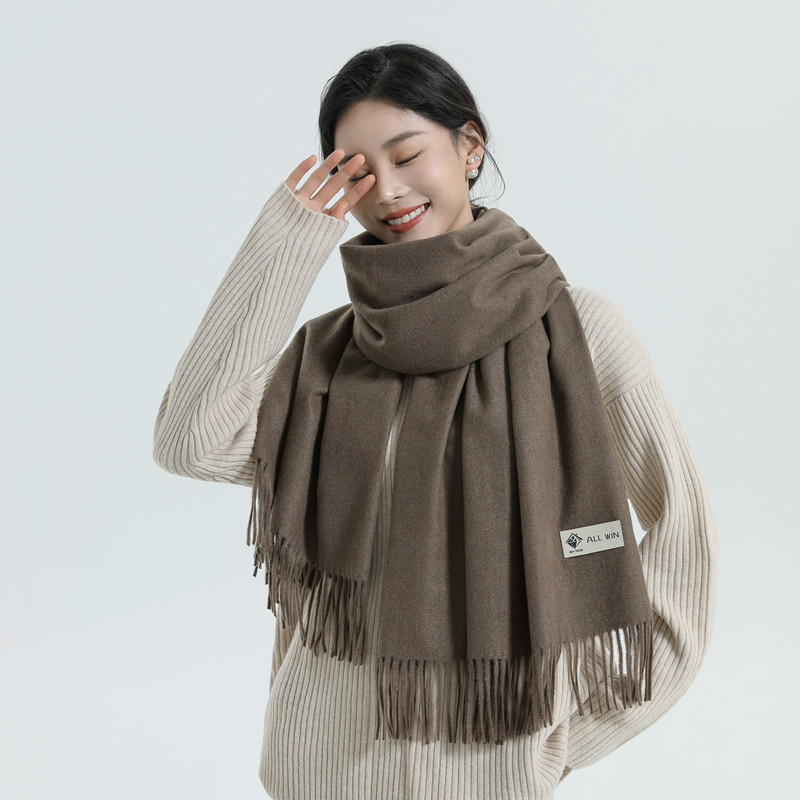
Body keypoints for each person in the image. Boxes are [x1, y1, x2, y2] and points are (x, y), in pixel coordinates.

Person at [153, 42, 717, 800]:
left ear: (469, 147)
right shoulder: (328, 355)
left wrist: (558, 740)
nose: (387, 190)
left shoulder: (578, 334)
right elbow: (189, 439)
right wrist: (287, 243)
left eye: (407, 154)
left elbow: (684, 537)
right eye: (357, 171)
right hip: (316, 774)